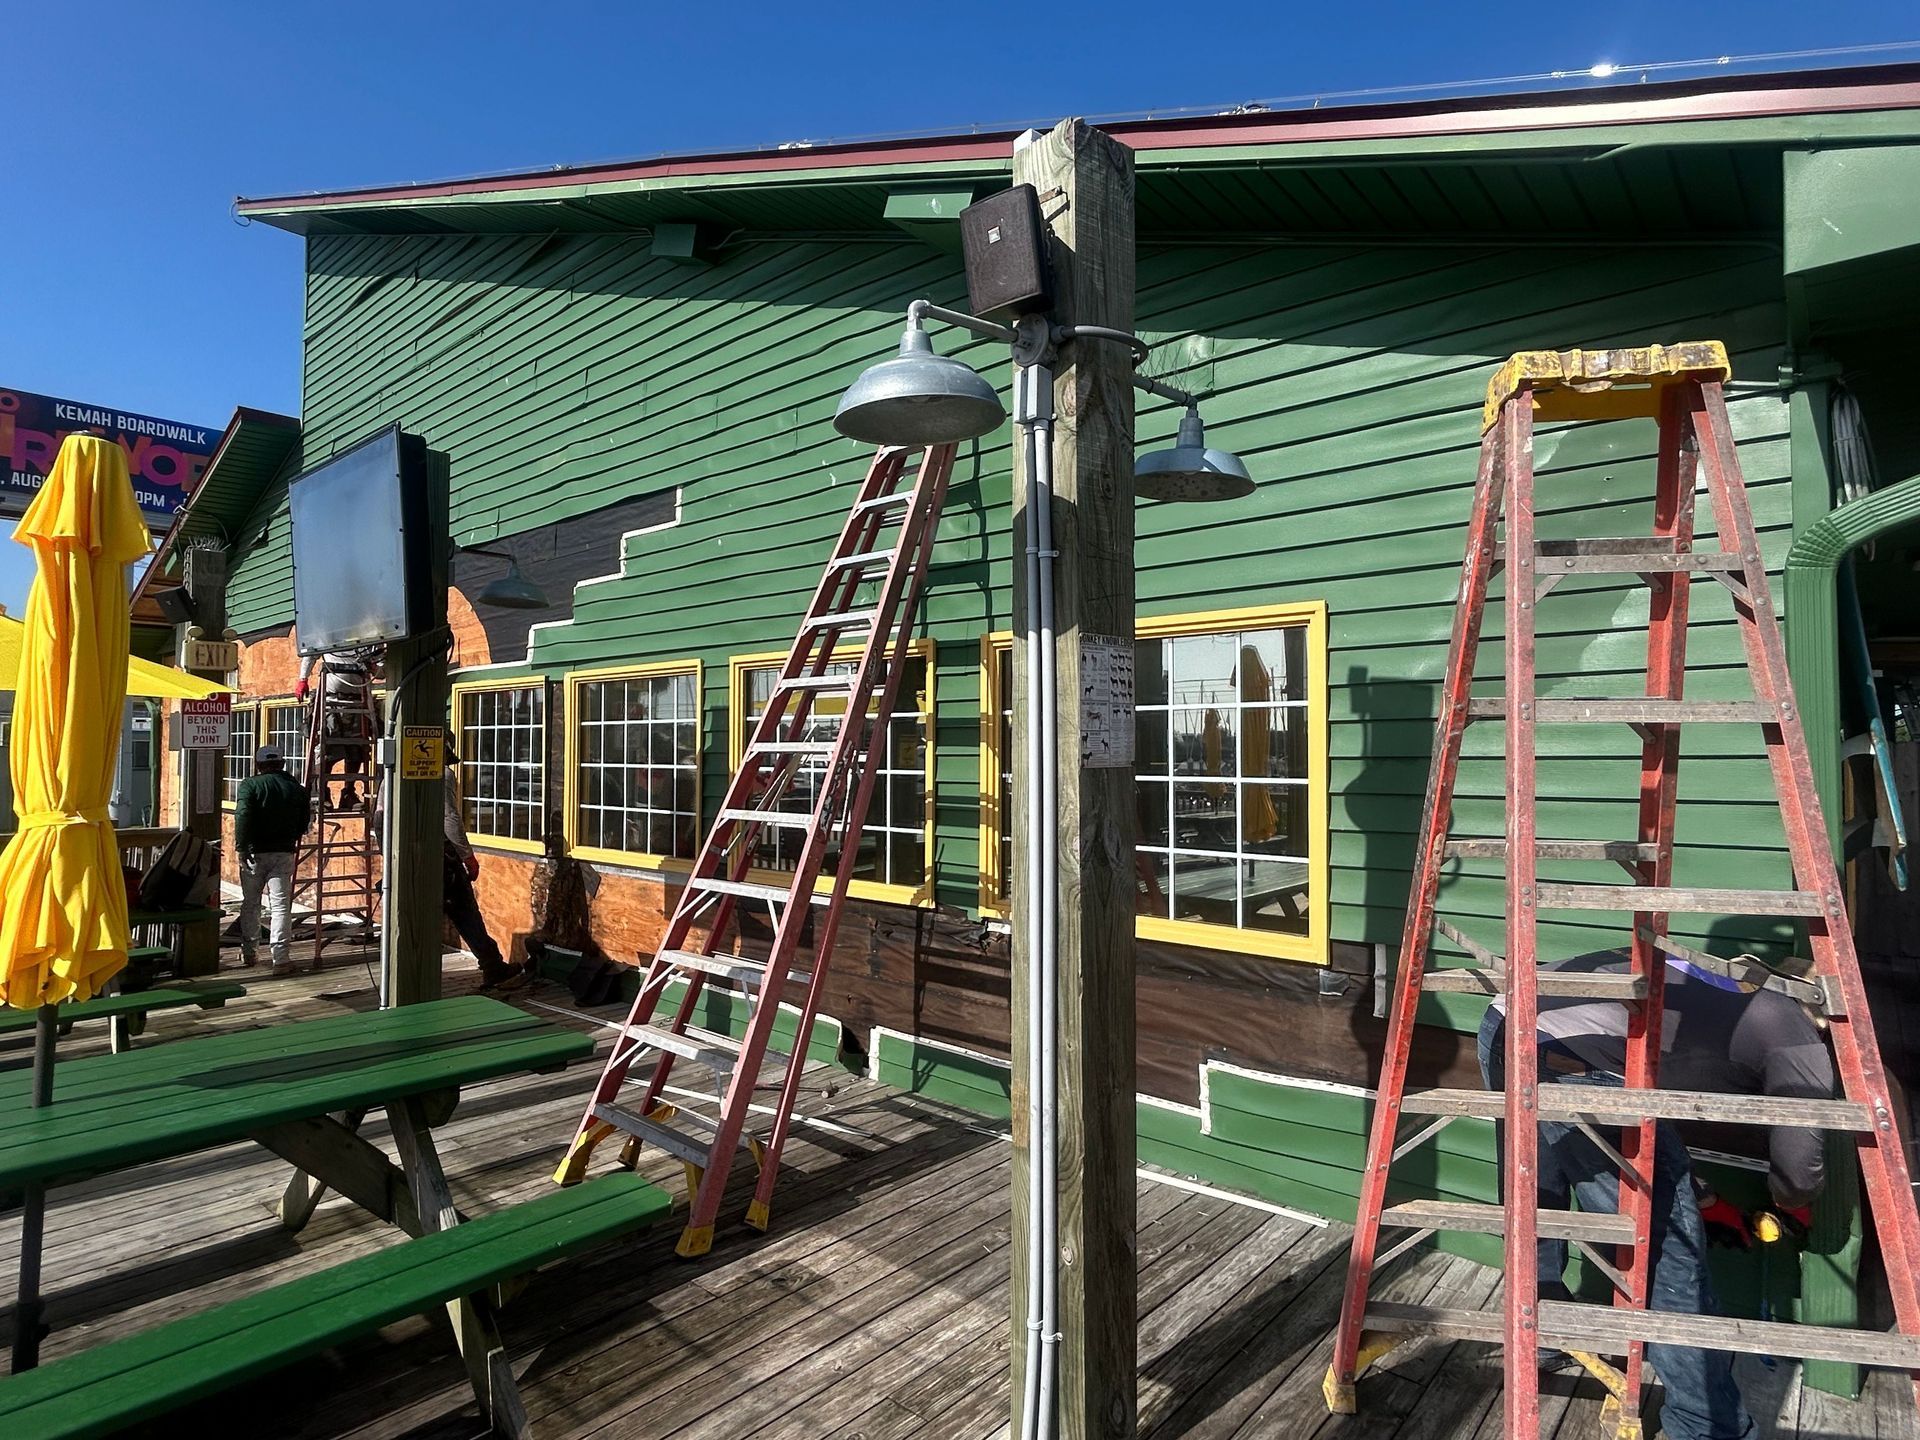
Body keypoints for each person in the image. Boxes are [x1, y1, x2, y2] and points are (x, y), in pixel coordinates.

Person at [1480, 950, 1836, 1440]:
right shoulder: (1796, 1029)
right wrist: (1794, 1201)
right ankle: (1706, 1425)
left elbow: (1656, 1110)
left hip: (1508, 1025)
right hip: (1580, 1060)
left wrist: (1707, 1201)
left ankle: (1538, 1336)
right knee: (1671, 1257)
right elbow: (1800, 1160)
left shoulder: (1725, 981)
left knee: (1535, 1197)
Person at [440, 733, 526, 992]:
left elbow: (380, 819)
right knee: (465, 911)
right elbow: (449, 818)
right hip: (441, 857)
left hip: (408, 858)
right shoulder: (440, 775)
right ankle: (493, 967)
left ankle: (493, 966)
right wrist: (468, 856)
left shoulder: (393, 774)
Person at [232, 744, 311, 974]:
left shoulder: (250, 785)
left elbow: (243, 815)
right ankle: (281, 958)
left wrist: (241, 847)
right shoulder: (296, 788)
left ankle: (249, 952)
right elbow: (304, 820)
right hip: (283, 852)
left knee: (251, 903)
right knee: (280, 906)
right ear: (282, 763)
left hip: (254, 852)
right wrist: (292, 837)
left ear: (258, 765)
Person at [297, 648, 382, 808]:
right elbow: (310, 654)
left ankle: (348, 794)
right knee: (327, 750)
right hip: (331, 702)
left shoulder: (368, 639)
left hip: (359, 703)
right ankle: (322, 794)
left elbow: (382, 672)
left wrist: (374, 667)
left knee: (357, 750)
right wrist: (303, 679)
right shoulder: (330, 633)